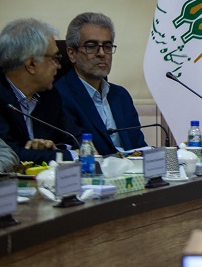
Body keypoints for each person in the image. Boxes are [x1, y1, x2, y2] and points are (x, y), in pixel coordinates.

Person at [55, 12, 146, 156]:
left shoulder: (121, 96)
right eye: (91, 46)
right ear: (72, 54)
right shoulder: (59, 96)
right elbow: (79, 151)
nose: (102, 53)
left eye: (107, 46)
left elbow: (140, 148)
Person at [0, 18, 78, 164]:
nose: (59, 66)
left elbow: (76, 140)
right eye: (55, 58)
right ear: (31, 64)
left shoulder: (49, 95)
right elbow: (11, 153)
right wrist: (67, 155)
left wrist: (54, 148)